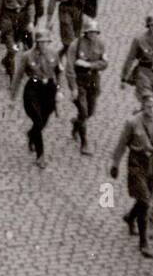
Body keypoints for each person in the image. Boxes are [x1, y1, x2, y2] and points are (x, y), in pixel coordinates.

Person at [110, 94, 153, 255]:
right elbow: (122, 144)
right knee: (145, 201)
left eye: (152, 106)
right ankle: (143, 242)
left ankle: (130, 217)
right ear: (142, 105)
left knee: (145, 199)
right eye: (147, 106)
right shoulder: (132, 123)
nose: (150, 109)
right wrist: (115, 164)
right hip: (136, 163)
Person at [9, 25, 62, 168]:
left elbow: (59, 72)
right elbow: (18, 76)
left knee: (43, 121)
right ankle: (40, 155)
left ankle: (32, 134)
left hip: (49, 89)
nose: (44, 45)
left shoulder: (53, 54)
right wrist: (12, 98)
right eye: (41, 42)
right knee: (38, 121)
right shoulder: (27, 56)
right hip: (33, 89)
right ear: (37, 43)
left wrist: (59, 90)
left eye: (46, 42)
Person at [70, 18, 108, 156]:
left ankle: (76, 124)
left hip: (93, 81)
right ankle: (84, 143)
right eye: (90, 32)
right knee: (84, 112)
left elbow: (104, 63)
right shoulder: (76, 45)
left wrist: (89, 65)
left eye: (95, 32)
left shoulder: (101, 44)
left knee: (90, 111)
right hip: (79, 81)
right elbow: (69, 68)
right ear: (85, 32)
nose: (93, 34)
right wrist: (73, 87)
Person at [121, 15, 153, 101]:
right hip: (143, 72)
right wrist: (123, 78)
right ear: (148, 26)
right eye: (152, 25)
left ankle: (143, 113)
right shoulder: (139, 40)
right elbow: (130, 59)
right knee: (147, 99)